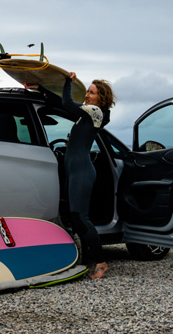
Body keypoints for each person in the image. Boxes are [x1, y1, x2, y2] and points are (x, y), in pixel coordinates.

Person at [25, 73, 115, 278]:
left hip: (82, 171)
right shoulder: (86, 115)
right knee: (74, 217)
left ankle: (101, 262)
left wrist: (68, 80)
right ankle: (85, 259)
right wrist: (39, 88)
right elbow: (61, 104)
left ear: (101, 98)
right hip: (75, 170)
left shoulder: (96, 112)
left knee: (80, 216)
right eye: (87, 92)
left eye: (91, 93)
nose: (87, 96)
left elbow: (67, 102)